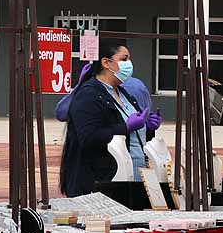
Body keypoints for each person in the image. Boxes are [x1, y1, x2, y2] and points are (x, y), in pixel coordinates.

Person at [59, 41, 162, 197]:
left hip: (133, 178)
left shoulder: (123, 93)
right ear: (106, 62)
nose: (129, 64)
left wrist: (147, 129)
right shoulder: (89, 95)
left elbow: (132, 136)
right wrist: (126, 127)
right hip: (102, 181)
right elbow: (89, 137)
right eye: (124, 59)